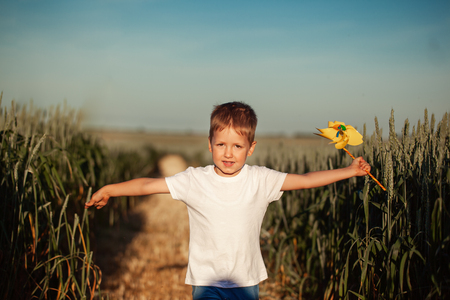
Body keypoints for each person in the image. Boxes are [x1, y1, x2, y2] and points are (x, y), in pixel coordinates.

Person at [85, 101, 371, 300]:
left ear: (251, 148)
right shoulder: (195, 180)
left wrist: (349, 171)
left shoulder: (261, 179)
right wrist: (111, 189)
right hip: (206, 283)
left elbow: (307, 180)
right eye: (221, 144)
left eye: (237, 146)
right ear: (209, 144)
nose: (228, 153)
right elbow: (148, 185)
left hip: (246, 283)